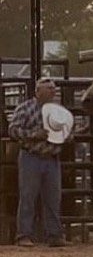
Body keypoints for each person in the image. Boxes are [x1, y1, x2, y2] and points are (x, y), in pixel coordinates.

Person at [8, 78, 73, 247]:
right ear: (38, 91)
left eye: (53, 88)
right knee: (28, 196)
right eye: (49, 89)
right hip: (31, 156)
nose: (53, 91)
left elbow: (67, 132)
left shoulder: (59, 111)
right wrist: (34, 135)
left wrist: (67, 136)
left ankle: (54, 235)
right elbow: (13, 130)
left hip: (51, 157)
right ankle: (24, 235)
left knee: (53, 198)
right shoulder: (25, 108)